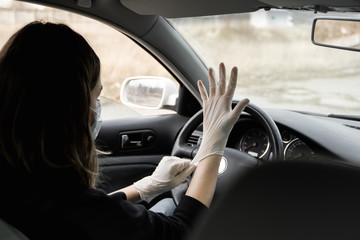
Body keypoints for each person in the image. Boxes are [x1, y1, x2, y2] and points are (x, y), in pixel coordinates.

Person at [0, 21, 249, 239]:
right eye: (96, 95)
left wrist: (146, 187)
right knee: (167, 209)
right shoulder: (68, 201)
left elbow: (86, 214)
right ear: (72, 110)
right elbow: (181, 232)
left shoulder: (23, 185)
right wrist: (213, 145)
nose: (96, 108)